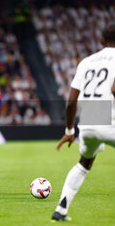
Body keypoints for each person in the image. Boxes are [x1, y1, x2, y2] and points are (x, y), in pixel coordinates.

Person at [51, 24, 115, 221]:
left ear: (102, 40)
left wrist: (70, 130)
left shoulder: (86, 62)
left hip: (88, 120)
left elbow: (71, 102)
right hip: (110, 118)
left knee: (84, 163)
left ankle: (61, 209)